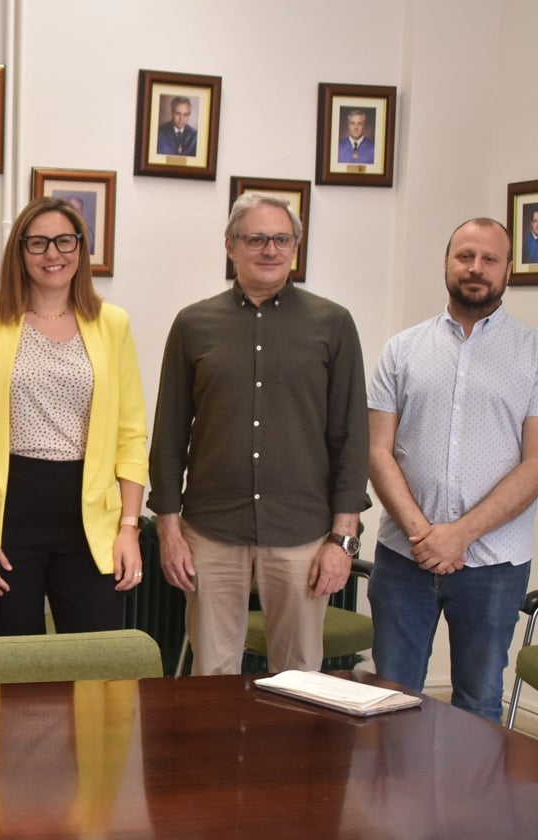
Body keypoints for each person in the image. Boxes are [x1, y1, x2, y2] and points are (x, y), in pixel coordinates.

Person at [148, 191, 370, 675]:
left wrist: (343, 539)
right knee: (211, 675)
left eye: (282, 239)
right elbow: (168, 436)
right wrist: (169, 531)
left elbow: (352, 438)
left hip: (303, 533)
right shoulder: (193, 324)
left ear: (295, 246)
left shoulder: (333, 325)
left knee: (300, 679)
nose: (270, 250)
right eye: (256, 239)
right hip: (211, 529)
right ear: (230, 246)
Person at [367, 217, 538, 722]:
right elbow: (378, 451)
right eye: (465, 256)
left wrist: (460, 535)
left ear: (508, 269)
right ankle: (396, 804)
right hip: (404, 558)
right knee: (389, 700)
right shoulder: (402, 350)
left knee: (479, 705)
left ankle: (470, 806)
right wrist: (425, 536)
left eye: (489, 259)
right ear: (446, 263)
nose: (476, 269)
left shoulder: (533, 354)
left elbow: (535, 463)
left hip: (494, 564)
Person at [0, 196, 148, 636]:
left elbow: (131, 434)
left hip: (91, 522)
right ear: (19, 252)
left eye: (64, 241)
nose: (52, 254)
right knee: (11, 675)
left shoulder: (112, 323)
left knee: (96, 674)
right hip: (7, 521)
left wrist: (129, 528)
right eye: (37, 243)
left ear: (81, 247)